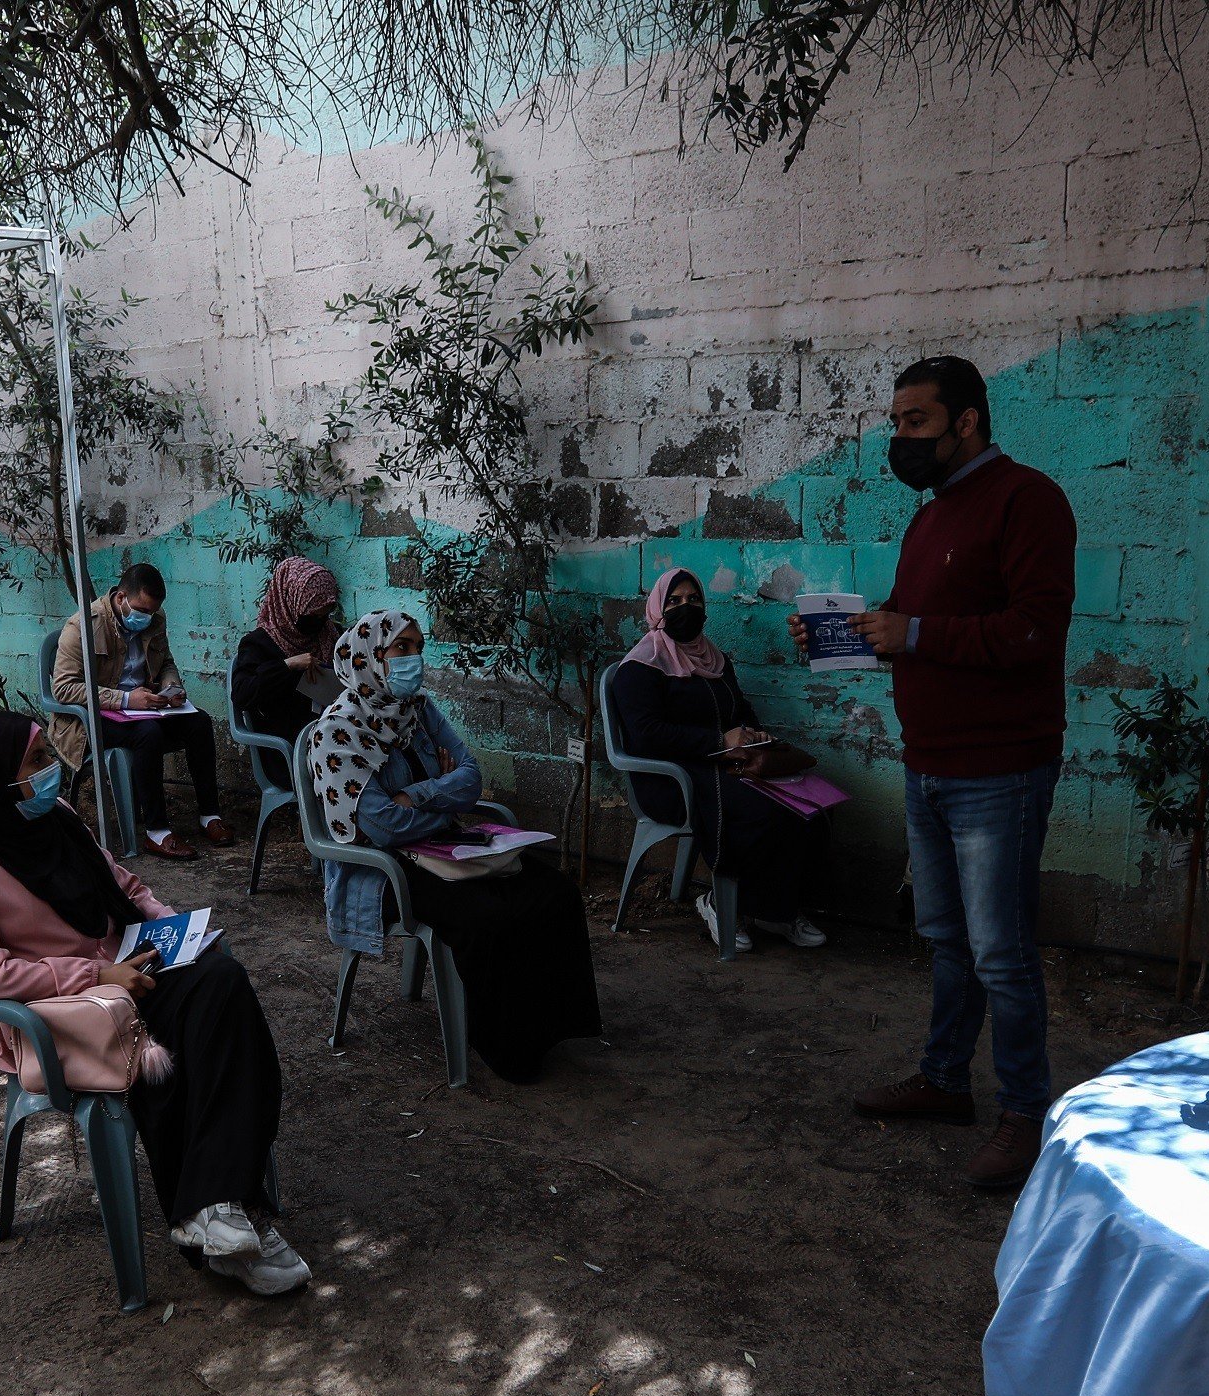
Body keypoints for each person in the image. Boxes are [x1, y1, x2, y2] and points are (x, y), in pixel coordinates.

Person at [787, 353, 1074, 1190]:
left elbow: (1034, 632)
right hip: (930, 763)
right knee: (947, 939)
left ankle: (1025, 1113)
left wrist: (911, 634)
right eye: (897, 422)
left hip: (1001, 768)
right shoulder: (930, 518)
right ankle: (946, 1081)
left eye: (916, 421)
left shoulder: (1028, 500)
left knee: (1001, 952)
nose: (901, 437)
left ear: (967, 421)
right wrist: (849, 637)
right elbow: (914, 627)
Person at [0, 712, 299, 1296]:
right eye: (35, 760)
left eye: (48, 753)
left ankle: (215, 1206)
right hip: (66, 1012)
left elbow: (125, 887)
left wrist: (177, 930)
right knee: (197, 1035)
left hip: (127, 971)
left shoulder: (56, 816)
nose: (51, 768)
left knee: (223, 983)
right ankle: (226, 1206)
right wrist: (96, 974)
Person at [309, 610, 601, 1085]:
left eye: (419, 647)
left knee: (555, 894)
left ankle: (552, 1026)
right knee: (487, 918)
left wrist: (419, 794)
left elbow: (471, 778)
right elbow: (383, 827)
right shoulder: (335, 734)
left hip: (445, 847)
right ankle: (509, 1049)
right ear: (369, 657)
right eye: (401, 648)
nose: (414, 658)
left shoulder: (419, 711)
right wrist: (443, 795)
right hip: (384, 872)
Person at [604, 568, 835, 953]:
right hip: (670, 780)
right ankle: (723, 904)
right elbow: (646, 735)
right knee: (760, 811)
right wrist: (717, 741)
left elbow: (738, 710)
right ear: (657, 609)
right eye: (674, 601)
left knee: (803, 806)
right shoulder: (641, 666)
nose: (686, 607)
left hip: (726, 764)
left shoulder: (715, 660)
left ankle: (775, 910)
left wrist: (753, 735)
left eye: (694, 599)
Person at [50, 561, 227, 860]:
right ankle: (157, 832)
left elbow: (166, 662)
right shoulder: (82, 627)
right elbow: (64, 688)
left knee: (199, 722)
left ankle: (210, 816)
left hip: (145, 709)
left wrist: (171, 687)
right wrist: (125, 699)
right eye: (142, 610)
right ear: (121, 598)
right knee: (148, 733)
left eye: (152, 612)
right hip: (93, 720)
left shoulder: (155, 619)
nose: (146, 618)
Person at [229, 556, 341, 745]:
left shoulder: (330, 634)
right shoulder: (259, 643)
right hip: (286, 741)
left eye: (325, 614)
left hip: (333, 729)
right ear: (291, 603)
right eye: (313, 614)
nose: (320, 621)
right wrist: (287, 665)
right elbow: (242, 694)